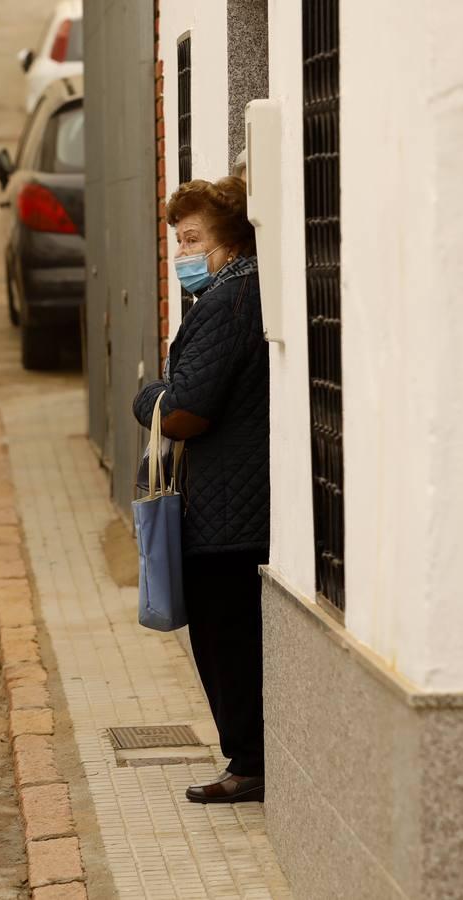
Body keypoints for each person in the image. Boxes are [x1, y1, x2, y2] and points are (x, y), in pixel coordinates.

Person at [133, 176, 269, 804]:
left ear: (229, 241)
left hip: (227, 509)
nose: (183, 253)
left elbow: (188, 406)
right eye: (178, 240)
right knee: (224, 633)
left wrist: (147, 399)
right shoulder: (232, 294)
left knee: (225, 637)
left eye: (193, 239)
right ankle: (246, 757)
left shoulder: (228, 300)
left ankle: (248, 763)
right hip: (233, 499)